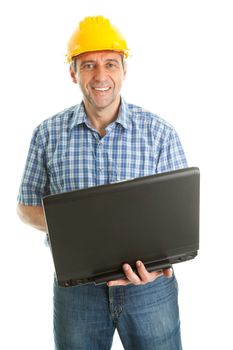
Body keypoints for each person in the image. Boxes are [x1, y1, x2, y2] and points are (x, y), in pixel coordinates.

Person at [17, 15, 188, 350]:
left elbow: (179, 219)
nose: (100, 76)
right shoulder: (47, 135)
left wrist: (159, 267)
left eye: (110, 64)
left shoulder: (160, 134)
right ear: (72, 72)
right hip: (77, 293)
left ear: (124, 70)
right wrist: (72, 224)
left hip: (149, 289)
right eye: (88, 65)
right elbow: (25, 207)